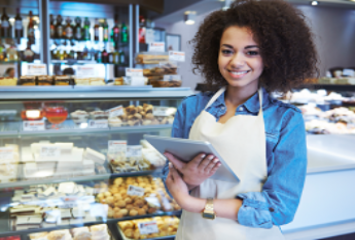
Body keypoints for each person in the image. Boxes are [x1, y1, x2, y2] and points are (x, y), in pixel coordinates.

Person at [162, 0, 318, 239]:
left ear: (271, 58)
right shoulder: (192, 107)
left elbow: (280, 209)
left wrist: (194, 203)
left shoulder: (285, 120)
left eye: (251, 52)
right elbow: (170, 179)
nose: (235, 61)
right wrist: (190, 179)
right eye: (227, 50)